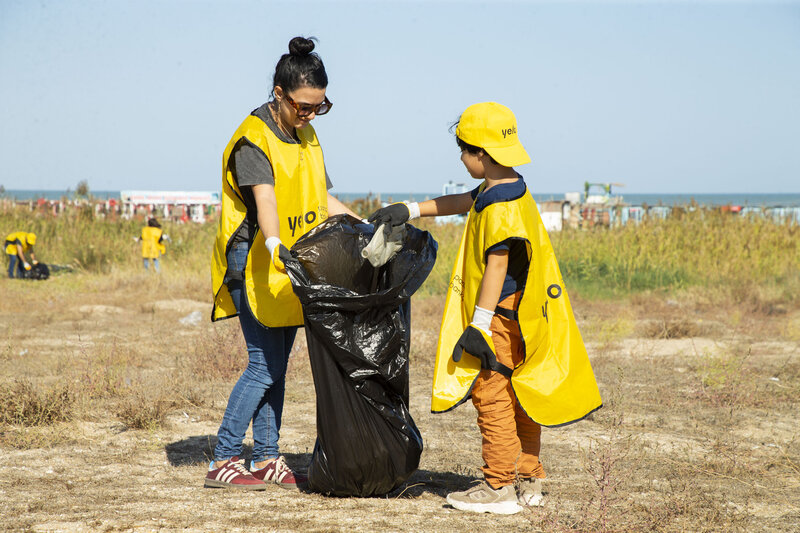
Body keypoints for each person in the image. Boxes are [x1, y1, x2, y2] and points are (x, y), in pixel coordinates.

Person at [369, 102, 602, 514]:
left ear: (482, 153)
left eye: (463, 149)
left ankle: (498, 487)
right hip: (525, 313)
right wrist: (410, 210)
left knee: (491, 394)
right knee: (521, 393)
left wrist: (479, 324)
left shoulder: (498, 206)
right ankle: (530, 478)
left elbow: (496, 265)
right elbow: (463, 201)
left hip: (498, 316)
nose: (461, 157)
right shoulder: (510, 186)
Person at [207, 36, 361, 491]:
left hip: (293, 261)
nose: (311, 115)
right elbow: (266, 200)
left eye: (320, 107)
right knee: (263, 364)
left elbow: (322, 198)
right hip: (255, 258)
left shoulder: (307, 134)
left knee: (279, 361)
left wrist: (367, 226)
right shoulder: (252, 140)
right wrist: (275, 244)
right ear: (279, 94)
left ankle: (268, 457)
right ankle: (224, 458)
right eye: (304, 107)